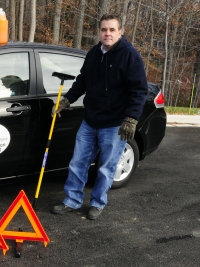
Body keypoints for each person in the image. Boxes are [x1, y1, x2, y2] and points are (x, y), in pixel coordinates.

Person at [51, 14, 148, 220]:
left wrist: (131, 118)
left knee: (106, 167)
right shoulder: (94, 53)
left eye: (112, 30)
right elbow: (82, 81)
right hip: (90, 120)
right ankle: (72, 200)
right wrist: (67, 100)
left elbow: (139, 90)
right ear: (99, 32)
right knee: (78, 163)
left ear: (120, 32)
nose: (107, 33)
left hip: (114, 124)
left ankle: (97, 203)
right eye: (104, 29)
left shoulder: (130, 56)